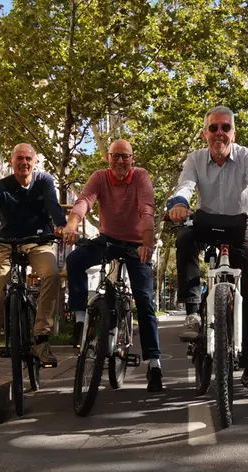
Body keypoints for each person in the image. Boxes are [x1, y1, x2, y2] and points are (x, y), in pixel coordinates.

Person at [167, 106, 248, 399]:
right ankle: (193, 312)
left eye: (225, 128)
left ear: (234, 133)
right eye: (213, 128)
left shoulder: (246, 156)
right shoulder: (195, 158)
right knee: (185, 237)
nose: (219, 133)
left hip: (237, 225)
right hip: (204, 222)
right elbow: (185, 186)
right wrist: (177, 204)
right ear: (205, 133)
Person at [61, 139, 163, 392]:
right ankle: (81, 321)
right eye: (115, 156)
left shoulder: (140, 176)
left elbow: (147, 210)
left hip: (137, 243)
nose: (120, 161)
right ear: (107, 158)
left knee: (145, 300)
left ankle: (155, 364)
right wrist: (71, 227)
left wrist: (147, 245)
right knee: (74, 260)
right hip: (108, 240)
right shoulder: (99, 177)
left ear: (132, 159)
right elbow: (84, 201)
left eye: (125, 157)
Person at [0, 143, 67, 378]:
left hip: (38, 241)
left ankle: (41, 337)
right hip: (7, 244)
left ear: (35, 162)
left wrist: (62, 226)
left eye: (28, 158)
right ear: (11, 161)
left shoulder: (45, 182)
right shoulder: (0, 187)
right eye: (19, 158)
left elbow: (53, 206)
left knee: (52, 274)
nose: (24, 162)